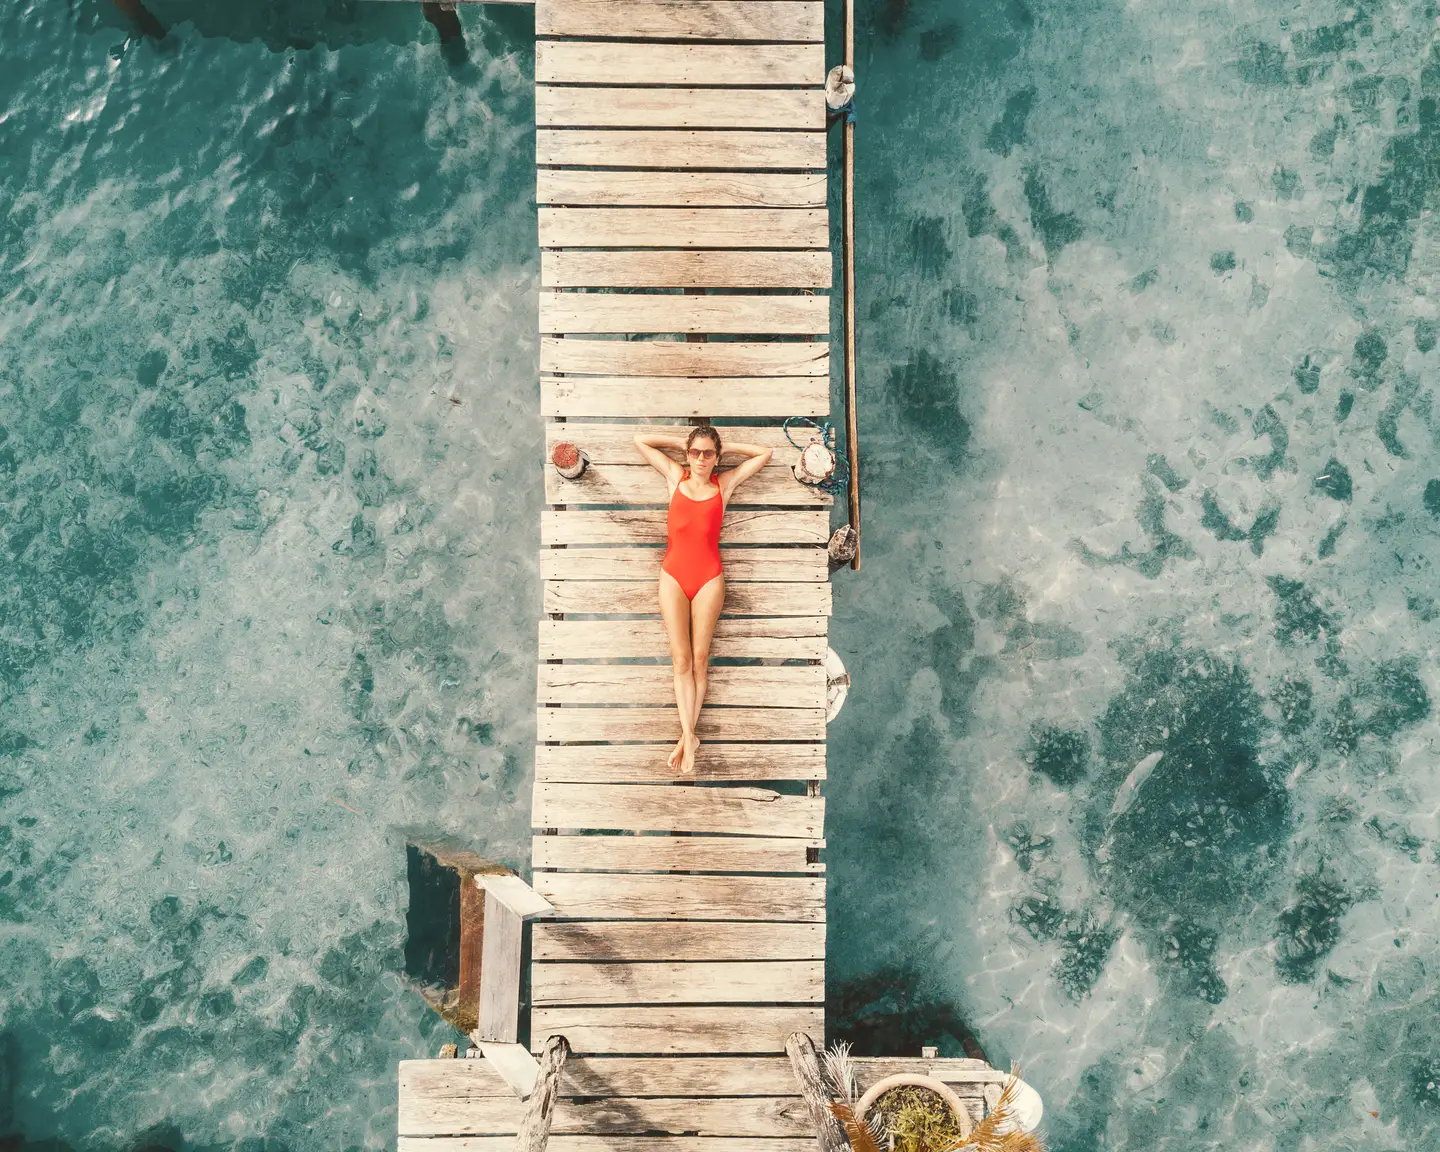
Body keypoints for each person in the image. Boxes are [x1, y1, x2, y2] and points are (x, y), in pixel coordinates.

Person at [633, 426, 773, 774]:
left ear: (716, 457)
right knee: (680, 660)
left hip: (709, 578)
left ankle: (688, 737)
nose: (699, 458)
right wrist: (679, 442)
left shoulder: (722, 486)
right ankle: (689, 736)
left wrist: (725, 449)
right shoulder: (674, 477)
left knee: (699, 659)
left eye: (707, 453)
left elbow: (764, 454)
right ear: (687, 453)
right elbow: (641, 441)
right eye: (695, 452)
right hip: (673, 576)